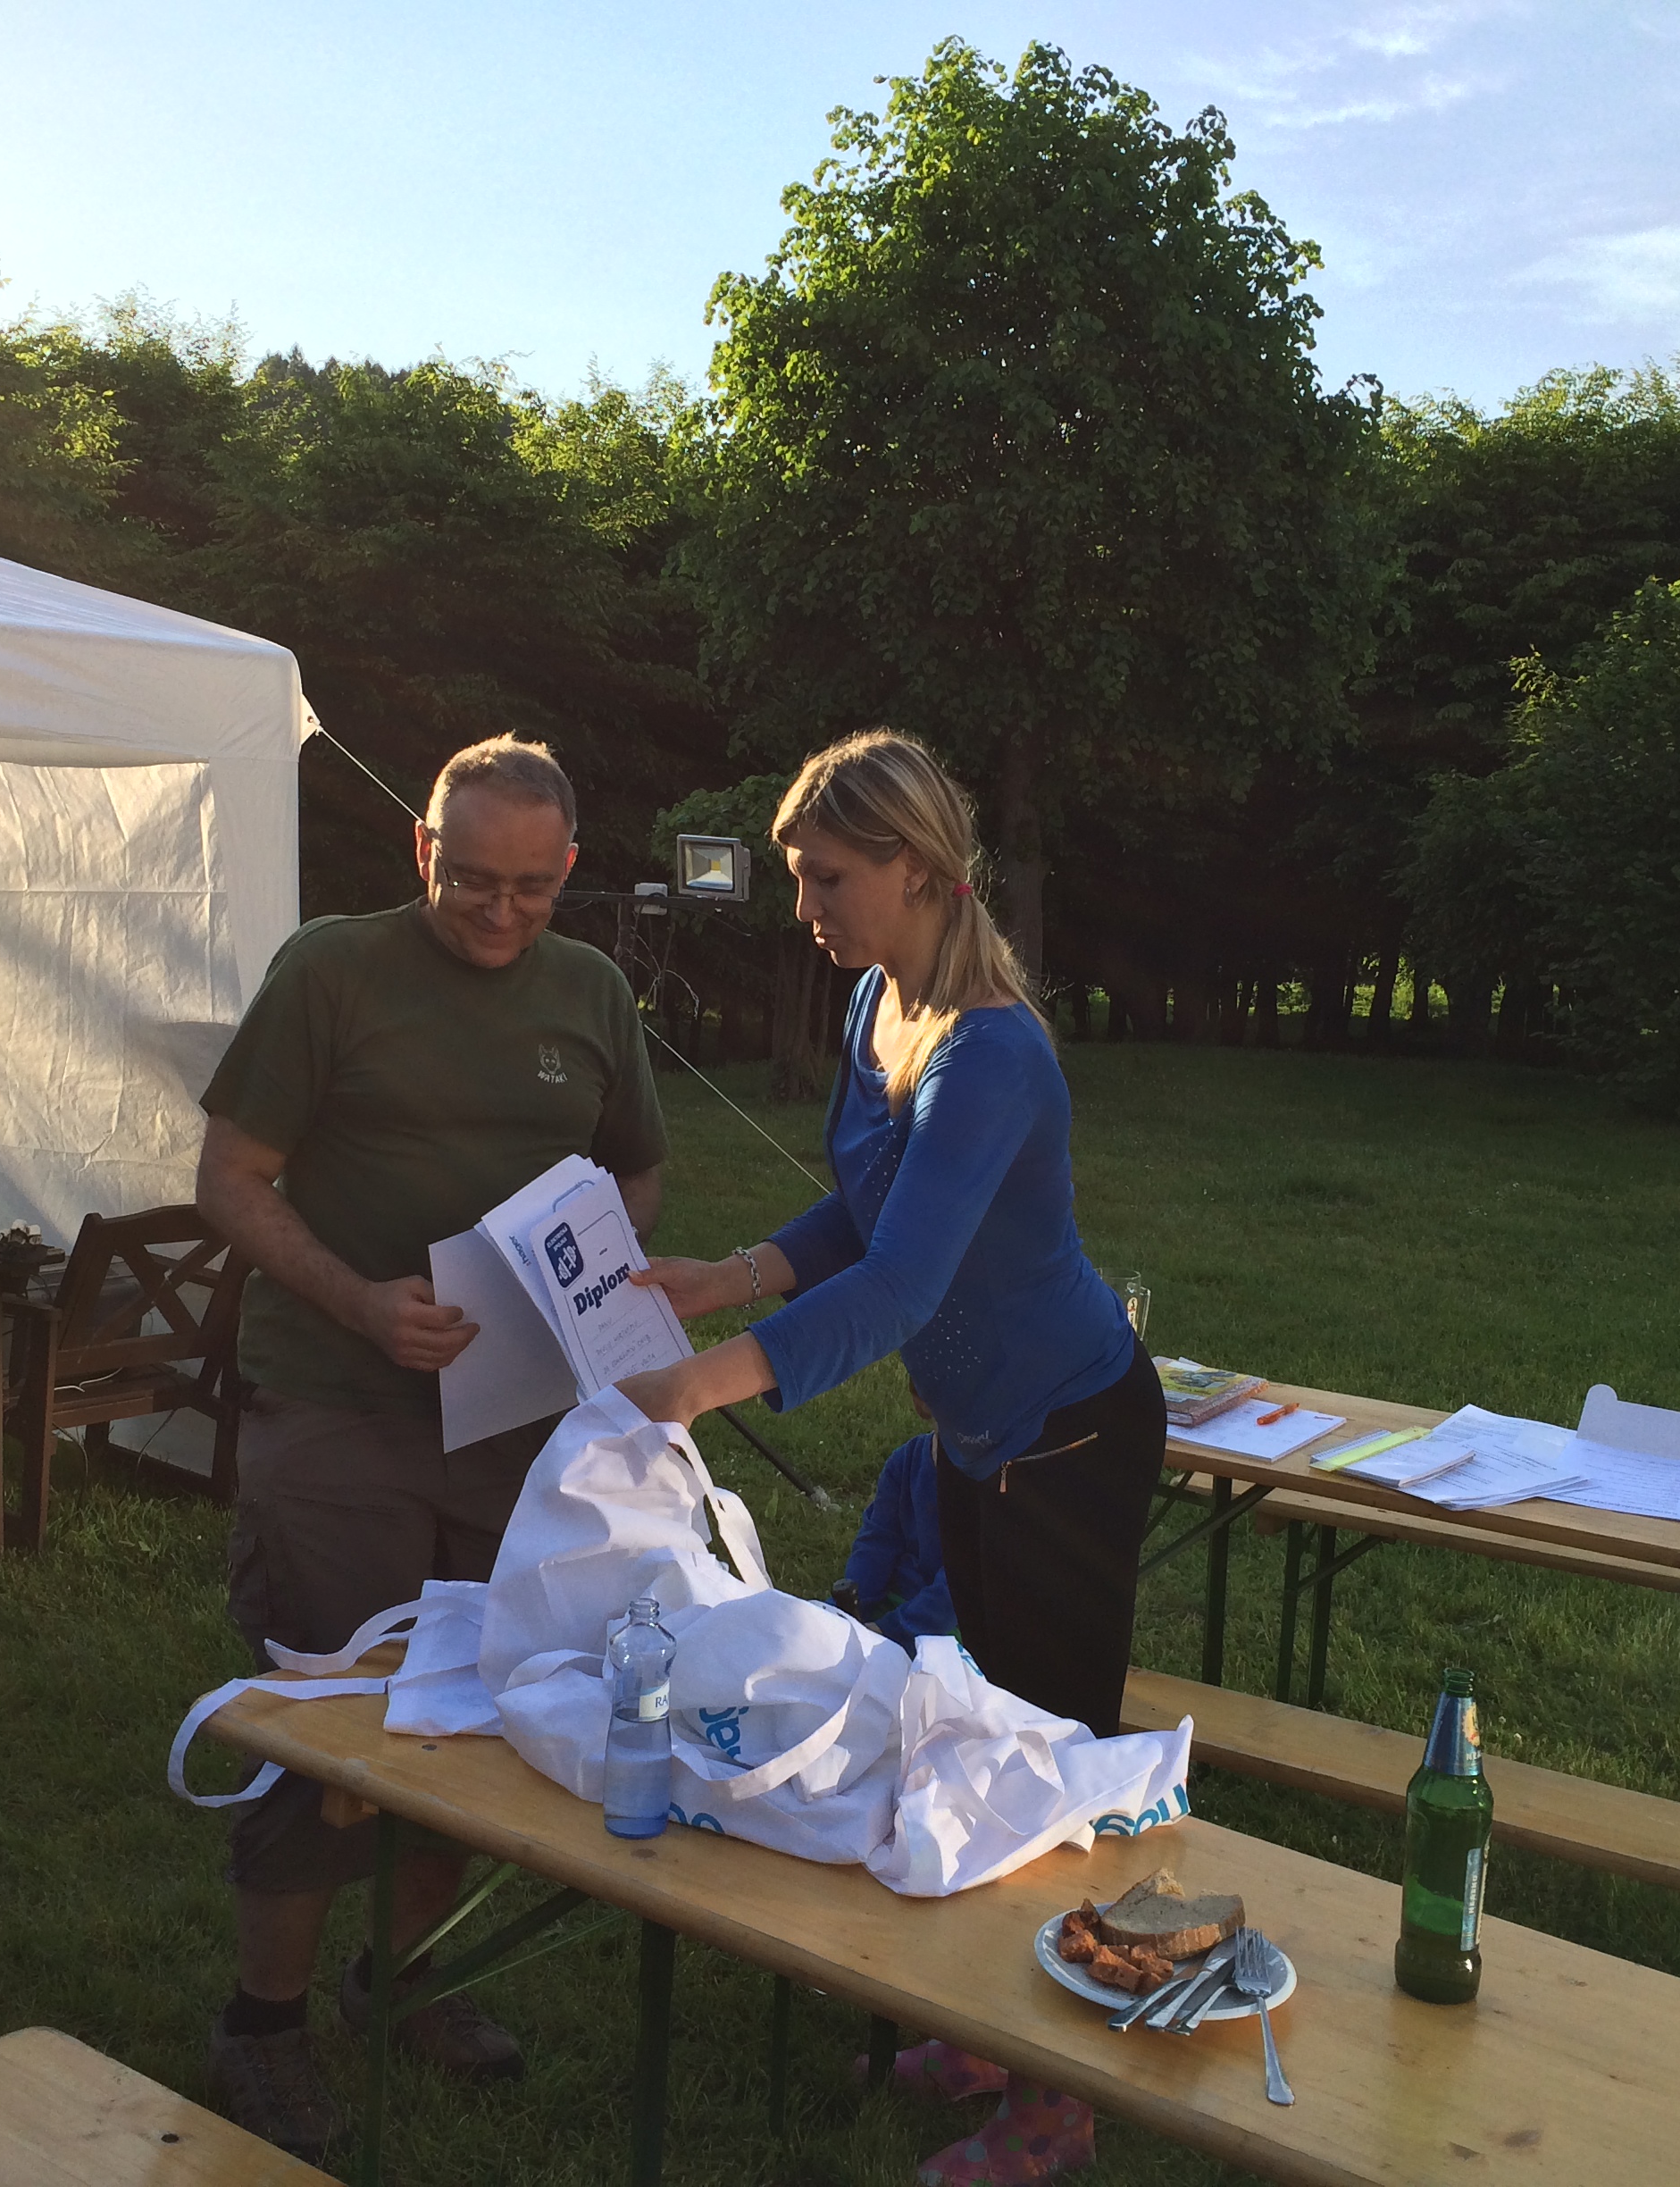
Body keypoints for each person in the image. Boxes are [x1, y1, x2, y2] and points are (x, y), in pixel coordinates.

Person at [619, 729, 1162, 2187]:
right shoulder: (881, 999)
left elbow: (903, 1285)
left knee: (1048, 1772)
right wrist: (731, 1274)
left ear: (915, 868)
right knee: (971, 1736)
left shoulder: (993, 1050)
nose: (804, 906)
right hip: (979, 1438)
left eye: (828, 878)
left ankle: (1057, 2109)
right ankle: (991, 2036)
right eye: (800, 876)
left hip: (1070, 1434)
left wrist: (699, 1387)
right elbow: (868, 1208)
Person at [193, 734, 666, 2159]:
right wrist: (358, 1299)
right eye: (471, 881)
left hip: (518, 1418)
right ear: (423, 851)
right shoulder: (332, 970)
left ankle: (403, 1983)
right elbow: (230, 1178)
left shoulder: (591, 991)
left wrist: (580, 1273)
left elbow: (635, 1170)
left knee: (482, 1706)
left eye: (532, 887)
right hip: (340, 1402)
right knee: (332, 1718)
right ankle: (263, 2023)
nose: (500, 912)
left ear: (569, 868)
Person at [835, 1431, 958, 1649]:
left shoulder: (995, 1478)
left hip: (953, 1626)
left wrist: (888, 1631)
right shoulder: (906, 1460)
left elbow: (964, 1586)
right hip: (892, 1605)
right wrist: (846, 1613)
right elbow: (875, 1545)